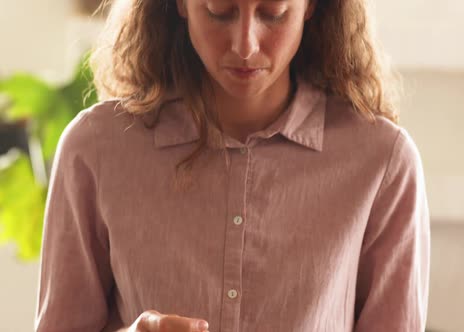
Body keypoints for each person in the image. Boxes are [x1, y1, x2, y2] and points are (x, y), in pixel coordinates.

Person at [34, 0, 431, 331]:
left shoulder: (383, 162)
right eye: (219, 11)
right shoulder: (96, 149)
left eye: (273, 13)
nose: (244, 45)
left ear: (311, 6)